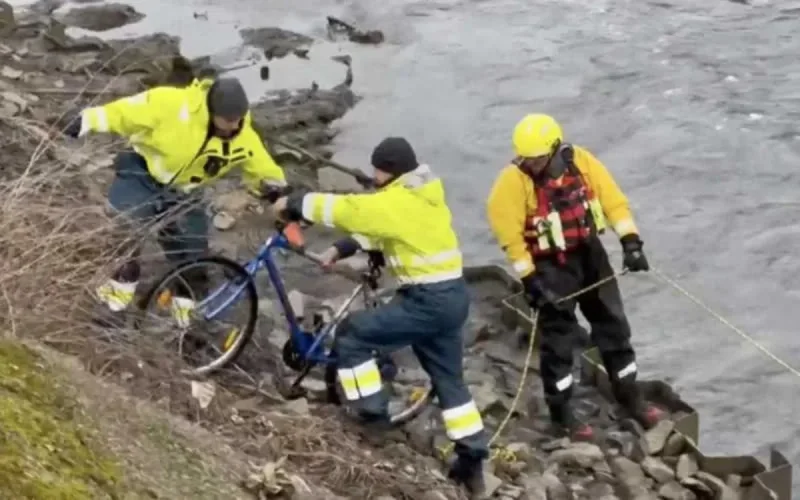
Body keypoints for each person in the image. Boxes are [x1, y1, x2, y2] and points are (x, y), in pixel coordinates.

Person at [272, 137, 489, 494]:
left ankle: (372, 417)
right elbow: (381, 229)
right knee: (450, 379)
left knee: (353, 335)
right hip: (453, 297)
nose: (374, 179)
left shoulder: (399, 200)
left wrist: (297, 203)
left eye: (379, 172)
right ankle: (472, 462)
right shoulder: (424, 197)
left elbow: (351, 211)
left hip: (427, 300)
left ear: (393, 173)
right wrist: (343, 247)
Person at [486, 113, 663, 441]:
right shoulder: (511, 184)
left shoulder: (581, 162)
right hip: (550, 267)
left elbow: (614, 202)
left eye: (537, 158)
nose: (531, 164)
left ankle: (629, 396)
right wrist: (531, 281)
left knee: (614, 326)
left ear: (554, 150)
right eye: (525, 158)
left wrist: (631, 242)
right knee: (559, 340)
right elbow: (511, 240)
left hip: (589, 255)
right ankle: (562, 413)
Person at [64, 77, 287, 326]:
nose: (233, 127)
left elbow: (263, 168)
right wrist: (85, 120)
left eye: (238, 121)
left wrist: (275, 187)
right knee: (126, 226)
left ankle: (184, 318)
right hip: (142, 172)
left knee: (191, 250)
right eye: (228, 121)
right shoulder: (170, 103)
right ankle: (115, 300)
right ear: (212, 110)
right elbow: (123, 113)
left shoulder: (243, 135)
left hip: (185, 191)